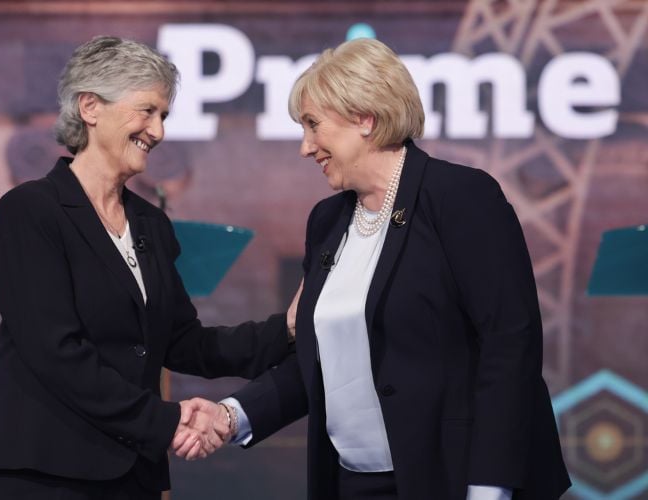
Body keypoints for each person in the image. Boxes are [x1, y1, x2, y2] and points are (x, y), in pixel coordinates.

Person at [183, 38, 571, 499]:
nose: (306, 147)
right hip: (353, 483)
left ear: (365, 118)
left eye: (313, 125)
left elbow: (510, 344)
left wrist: (488, 488)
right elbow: (322, 361)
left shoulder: (460, 197)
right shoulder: (326, 221)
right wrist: (231, 415)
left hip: (455, 477)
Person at [0, 36, 291, 500]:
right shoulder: (31, 211)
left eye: (163, 116)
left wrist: (283, 330)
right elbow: (57, 351)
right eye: (146, 111)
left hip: (132, 478)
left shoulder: (151, 224)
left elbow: (181, 340)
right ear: (90, 107)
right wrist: (166, 421)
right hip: (49, 475)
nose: (158, 131)